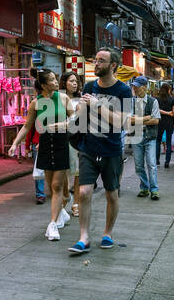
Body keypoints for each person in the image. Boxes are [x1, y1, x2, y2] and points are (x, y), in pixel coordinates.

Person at [68, 49, 132, 255]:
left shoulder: (124, 90)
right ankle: (84, 237)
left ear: (113, 65)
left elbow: (122, 122)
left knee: (111, 193)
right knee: (84, 192)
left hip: (111, 149)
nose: (96, 64)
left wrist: (97, 106)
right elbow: (82, 114)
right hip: (88, 147)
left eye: (101, 61)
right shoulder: (88, 86)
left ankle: (107, 233)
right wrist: (81, 109)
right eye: (95, 60)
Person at [9, 68, 72, 240]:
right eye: (51, 80)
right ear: (43, 85)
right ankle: (61, 214)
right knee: (51, 187)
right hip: (43, 145)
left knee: (58, 186)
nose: (55, 82)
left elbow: (75, 121)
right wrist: (15, 143)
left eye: (55, 79)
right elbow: (27, 126)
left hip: (61, 145)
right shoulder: (35, 103)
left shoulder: (64, 98)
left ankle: (52, 224)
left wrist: (62, 125)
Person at [126, 75, 160, 200]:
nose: (134, 88)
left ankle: (154, 189)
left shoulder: (153, 101)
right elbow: (129, 120)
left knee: (151, 164)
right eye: (134, 86)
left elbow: (156, 121)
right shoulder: (131, 101)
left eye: (137, 86)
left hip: (150, 136)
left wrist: (138, 120)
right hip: (136, 137)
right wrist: (146, 118)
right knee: (139, 165)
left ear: (144, 87)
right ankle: (144, 188)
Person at [60, 71, 83, 218]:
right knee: (62, 173)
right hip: (61, 139)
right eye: (71, 81)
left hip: (76, 140)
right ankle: (63, 200)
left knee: (77, 173)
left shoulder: (81, 100)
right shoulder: (58, 99)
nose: (75, 84)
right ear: (64, 83)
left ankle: (76, 204)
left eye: (76, 81)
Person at [155, 82, 174, 168]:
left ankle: (157, 161)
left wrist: (165, 113)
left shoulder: (157, 99)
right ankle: (167, 162)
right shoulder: (172, 99)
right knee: (168, 142)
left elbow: (157, 110)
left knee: (158, 141)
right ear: (168, 90)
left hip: (160, 122)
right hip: (169, 122)